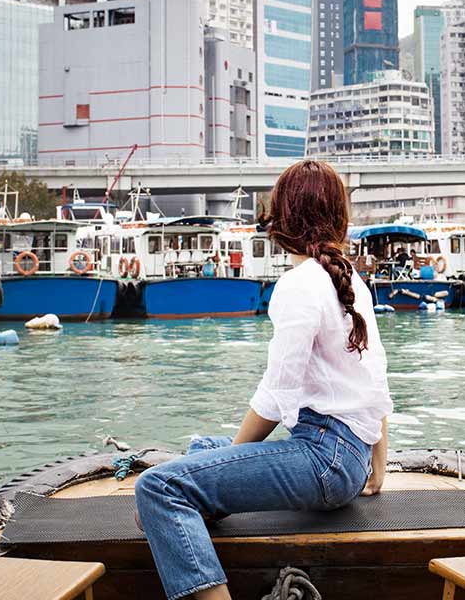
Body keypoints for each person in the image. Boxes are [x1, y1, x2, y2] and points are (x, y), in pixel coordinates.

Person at [135, 159, 392, 600]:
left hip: (324, 459)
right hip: (351, 459)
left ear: (282, 216)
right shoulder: (348, 279)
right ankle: (204, 497)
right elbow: (377, 380)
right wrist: (377, 468)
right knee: (201, 447)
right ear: (337, 216)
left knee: (160, 487)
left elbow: (277, 395)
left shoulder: (299, 284)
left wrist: (228, 460)